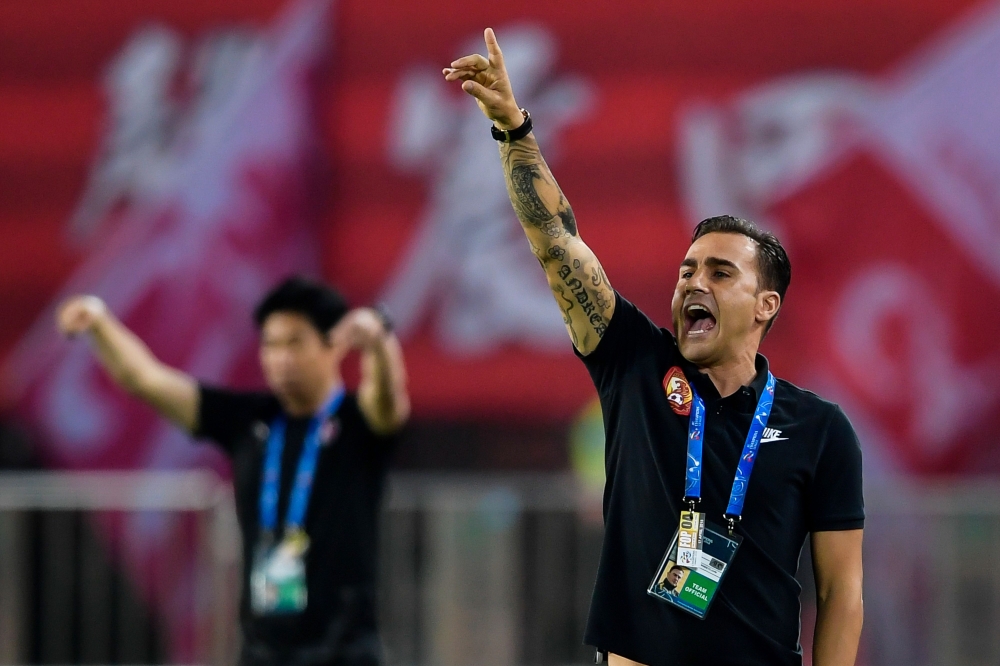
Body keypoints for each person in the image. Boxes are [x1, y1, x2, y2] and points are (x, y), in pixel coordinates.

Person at [444, 29, 864, 666]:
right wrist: (513, 129)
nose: (695, 281)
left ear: (765, 306)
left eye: (721, 273)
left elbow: (842, 590)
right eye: (687, 270)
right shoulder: (636, 364)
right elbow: (558, 243)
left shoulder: (820, 429)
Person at [56, 276, 410, 666]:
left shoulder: (357, 423)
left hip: (344, 652)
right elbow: (145, 379)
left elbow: (387, 397)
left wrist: (378, 341)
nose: (281, 358)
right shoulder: (249, 420)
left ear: (333, 347)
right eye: (271, 344)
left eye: (295, 343)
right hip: (263, 652)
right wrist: (100, 321)